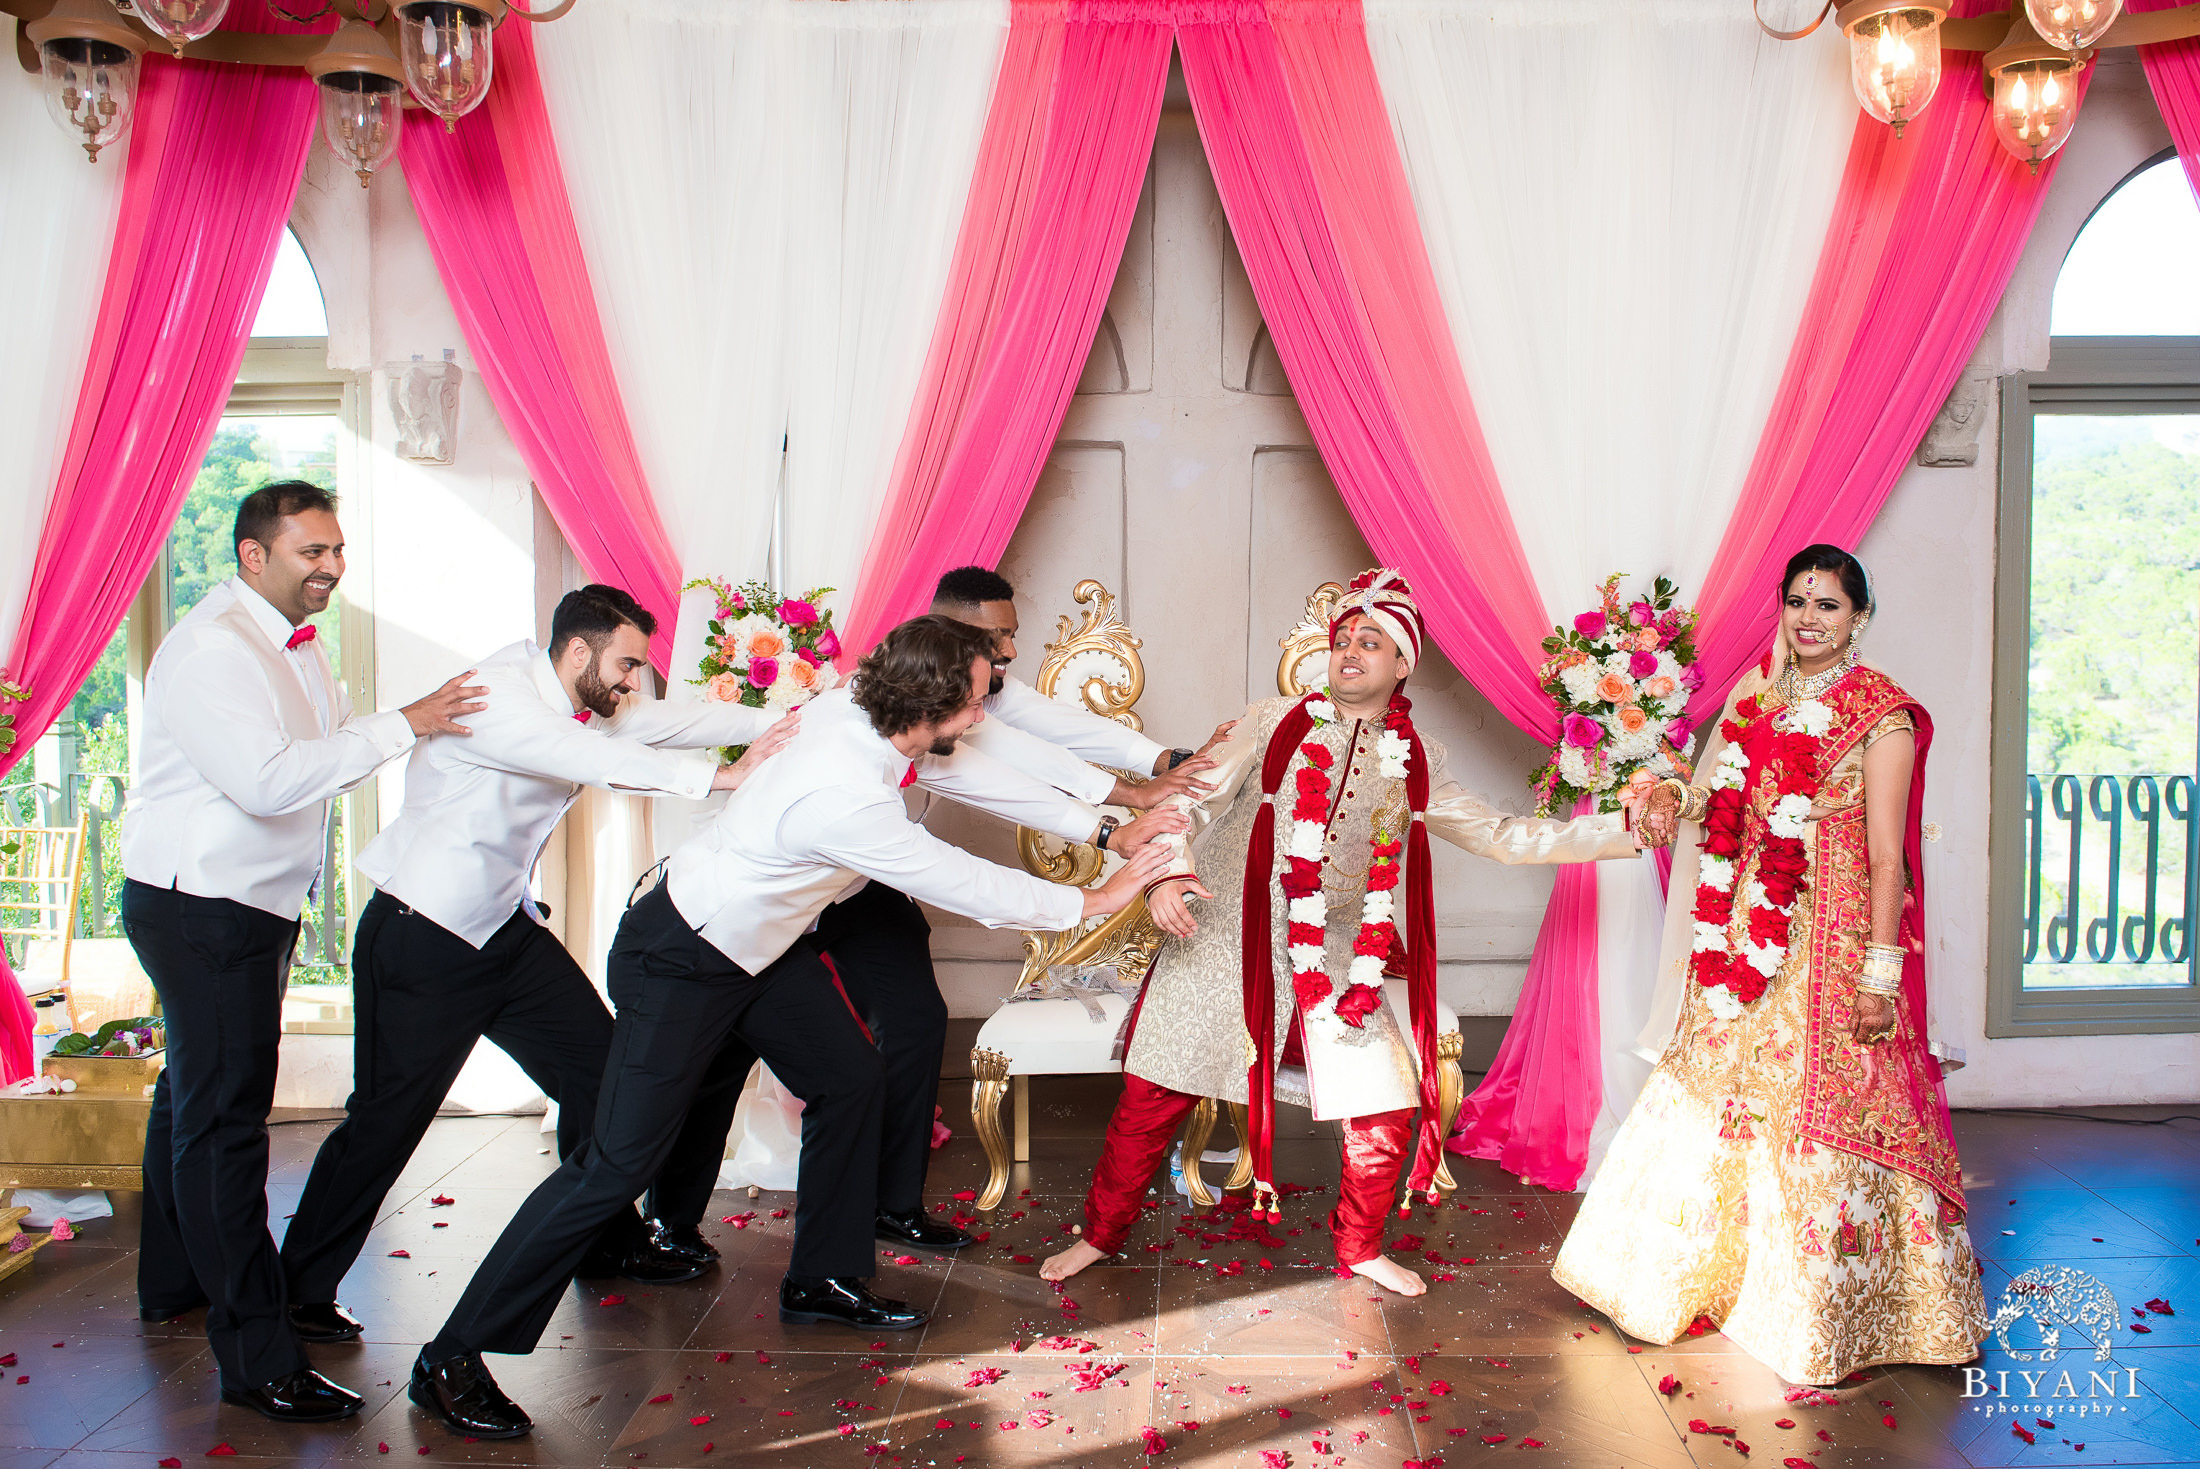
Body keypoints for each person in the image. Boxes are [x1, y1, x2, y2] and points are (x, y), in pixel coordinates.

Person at [408, 616, 1177, 1440]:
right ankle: (451, 1355)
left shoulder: (858, 706)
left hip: (761, 952)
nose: (983, 718)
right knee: (612, 1164)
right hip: (683, 957)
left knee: (851, 1077)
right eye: (977, 703)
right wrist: (1093, 898)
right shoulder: (844, 796)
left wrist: (1104, 818)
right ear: (932, 703)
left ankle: (824, 1277)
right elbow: (955, 876)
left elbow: (970, 772)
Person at [1042, 570, 1640, 1295]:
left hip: (1335, 954)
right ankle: (1099, 1236)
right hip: (1223, 933)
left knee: (1384, 1105)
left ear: (1403, 662)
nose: (1350, 651)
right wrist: (1166, 875)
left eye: (1371, 641)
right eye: (1343, 640)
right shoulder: (1268, 722)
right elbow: (1186, 802)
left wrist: (1626, 829)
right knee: (1151, 1094)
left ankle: (1359, 1246)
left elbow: (1504, 836)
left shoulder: (1418, 759)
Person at [638, 567, 1226, 1264]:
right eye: (996, 637)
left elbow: (999, 758)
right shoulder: (909, 694)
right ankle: (670, 1221)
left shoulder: (967, 692)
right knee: (727, 1048)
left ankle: (895, 1204)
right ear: (949, 631)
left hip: (859, 883)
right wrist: (1106, 853)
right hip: (780, 891)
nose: (1008, 653)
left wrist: (1114, 813)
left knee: (914, 1019)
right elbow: (972, 834)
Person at [276, 585, 800, 1345]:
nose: (632, 682)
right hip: (424, 935)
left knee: (602, 1074)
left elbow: (668, 718)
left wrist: (778, 724)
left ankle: (604, 1240)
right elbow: (588, 758)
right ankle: (296, 1290)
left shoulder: (579, 690)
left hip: (501, 931)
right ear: (579, 650)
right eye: (625, 664)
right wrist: (722, 778)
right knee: (385, 1125)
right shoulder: (496, 695)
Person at [1553, 544, 1987, 1385]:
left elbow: (1890, 859)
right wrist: (1667, 797)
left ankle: (1833, 1304)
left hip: (1834, 935)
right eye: (1798, 601)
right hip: (1749, 923)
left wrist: (1880, 974)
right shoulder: (1756, 695)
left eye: (1829, 605)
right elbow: (1718, 808)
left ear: (1859, 616)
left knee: (1833, 1096)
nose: (1810, 619)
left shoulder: (1883, 714)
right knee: (1712, 1081)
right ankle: (1693, 1275)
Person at [121, 482, 484, 1422]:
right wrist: (406, 722)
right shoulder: (209, 651)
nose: (328, 568)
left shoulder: (292, 645)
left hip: (248, 906)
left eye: (335, 551)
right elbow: (269, 781)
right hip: (200, 906)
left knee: (192, 1102)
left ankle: (172, 1283)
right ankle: (257, 1355)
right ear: (253, 554)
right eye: (308, 552)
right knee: (227, 1123)